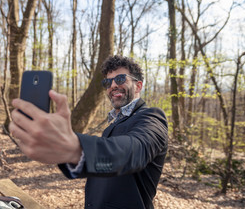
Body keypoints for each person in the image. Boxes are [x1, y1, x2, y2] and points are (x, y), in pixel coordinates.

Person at [9, 55, 168, 209]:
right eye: (107, 82)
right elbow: (105, 169)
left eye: (120, 79)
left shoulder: (152, 117)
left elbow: (135, 149)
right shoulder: (111, 125)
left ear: (138, 86)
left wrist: (76, 148)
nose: (112, 85)